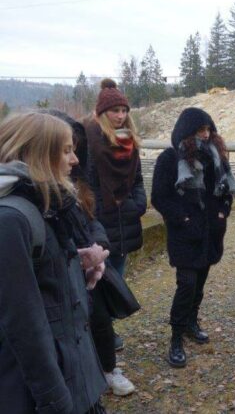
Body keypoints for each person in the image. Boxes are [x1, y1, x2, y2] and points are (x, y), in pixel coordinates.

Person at [0, 112, 107, 413]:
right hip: (47, 393)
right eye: (66, 150)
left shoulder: (48, 206)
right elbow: (24, 327)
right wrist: (55, 402)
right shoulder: (11, 220)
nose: (74, 161)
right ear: (37, 153)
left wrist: (75, 265)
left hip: (77, 380)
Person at [47, 109, 136, 396]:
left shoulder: (75, 184)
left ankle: (107, 370)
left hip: (87, 270)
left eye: (75, 150)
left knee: (99, 321)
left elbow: (92, 220)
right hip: (61, 277)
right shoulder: (23, 205)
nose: (73, 159)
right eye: (66, 150)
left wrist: (98, 247)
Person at [151, 107, 235, 368]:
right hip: (185, 234)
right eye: (200, 129)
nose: (205, 134)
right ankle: (176, 337)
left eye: (209, 129)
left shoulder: (216, 157)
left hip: (211, 232)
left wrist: (223, 213)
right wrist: (182, 219)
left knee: (199, 283)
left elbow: (225, 192)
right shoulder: (169, 158)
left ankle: (191, 322)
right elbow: (159, 197)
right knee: (186, 284)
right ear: (186, 130)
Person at [86, 78, 146, 351]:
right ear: (102, 113)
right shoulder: (91, 140)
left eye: (124, 111)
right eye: (115, 111)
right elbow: (87, 183)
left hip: (125, 221)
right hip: (101, 221)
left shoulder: (130, 143)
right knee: (97, 281)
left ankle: (105, 330)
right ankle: (99, 334)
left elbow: (137, 180)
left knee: (115, 279)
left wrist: (137, 205)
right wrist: (99, 211)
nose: (121, 116)